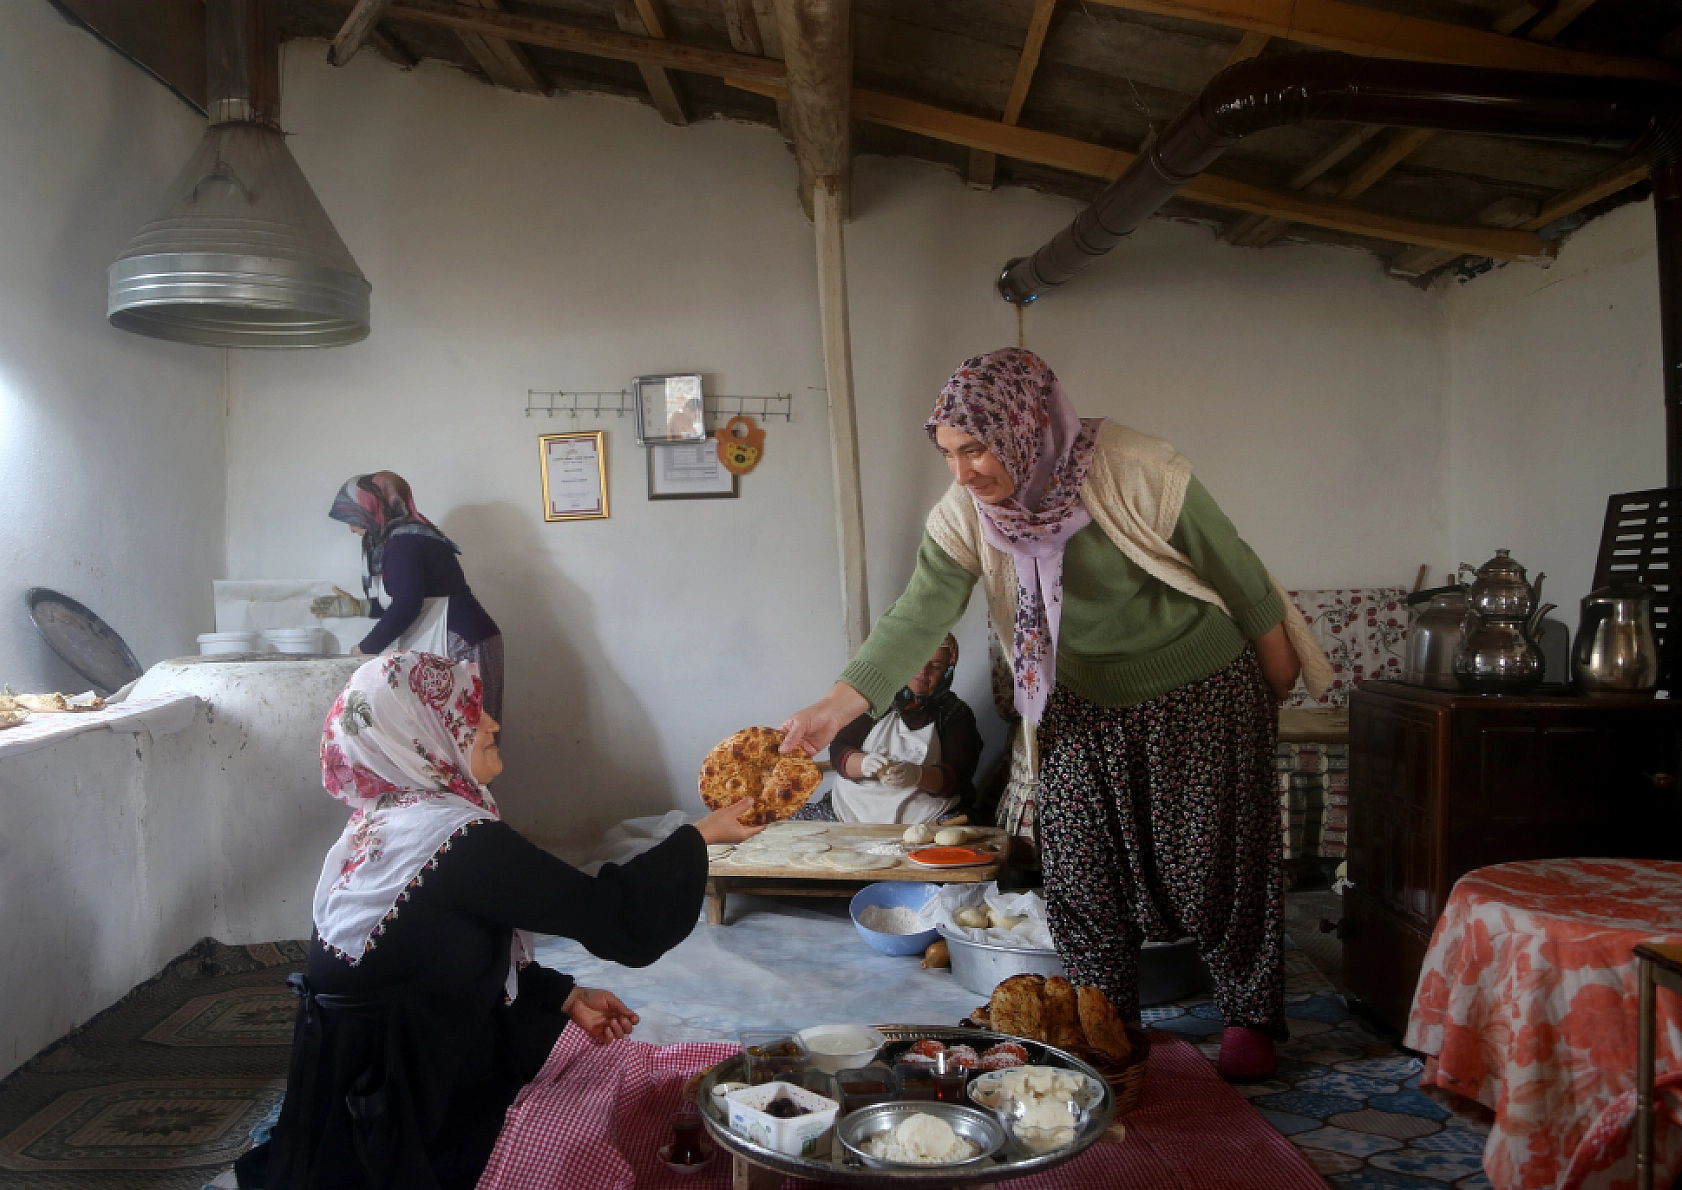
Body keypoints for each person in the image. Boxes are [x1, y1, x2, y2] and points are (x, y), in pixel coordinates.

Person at [777, 348, 1330, 1082]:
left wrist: (1278, 668)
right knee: (1079, 866)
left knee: (1217, 863)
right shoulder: (968, 513)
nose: (963, 471)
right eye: (948, 454)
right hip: (1073, 699)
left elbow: (1232, 564)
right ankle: (1109, 1018)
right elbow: (920, 612)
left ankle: (1249, 1017)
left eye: (975, 448)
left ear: (1026, 426)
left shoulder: (1136, 465)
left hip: (1197, 688)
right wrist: (834, 704)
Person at [235, 652, 761, 1189]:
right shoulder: (456, 841)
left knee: (620, 1081)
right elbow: (612, 917)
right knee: (603, 1143)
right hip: (400, 1115)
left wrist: (561, 994)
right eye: (468, 714)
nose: (492, 724)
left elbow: (433, 957)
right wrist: (701, 836)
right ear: (422, 735)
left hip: (369, 1080)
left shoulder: (386, 823)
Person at [313, 472, 506, 721]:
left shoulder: (404, 542)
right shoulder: (407, 536)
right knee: (458, 738)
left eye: (353, 517)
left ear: (375, 507)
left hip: (460, 643)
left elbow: (408, 604)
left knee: (465, 738)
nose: (351, 528)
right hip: (465, 637)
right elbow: (413, 596)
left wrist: (364, 649)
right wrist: (359, 608)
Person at [792, 634, 983, 824]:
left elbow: (958, 776)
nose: (923, 672)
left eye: (935, 666)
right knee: (789, 830)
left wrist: (917, 775)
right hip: (852, 808)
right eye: (918, 661)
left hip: (923, 816)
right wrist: (863, 763)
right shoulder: (872, 700)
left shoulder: (956, 714)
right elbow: (839, 750)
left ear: (948, 670)